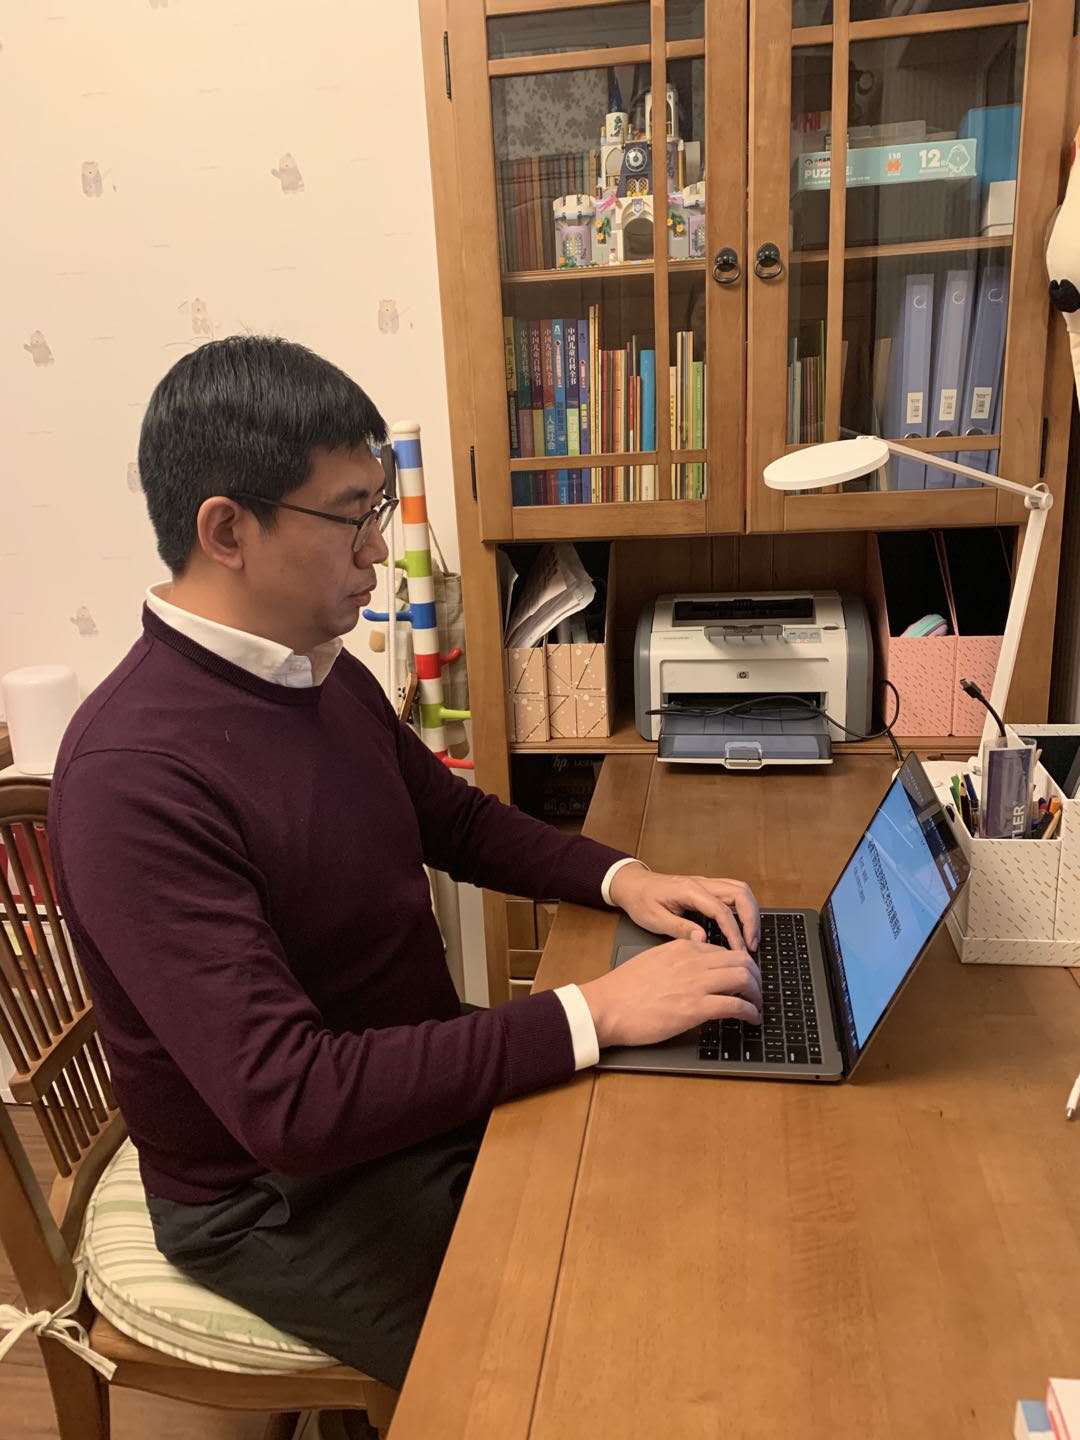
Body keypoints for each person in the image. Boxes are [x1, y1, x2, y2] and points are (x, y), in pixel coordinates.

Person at [51, 336, 762, 1400]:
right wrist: (595, 1010)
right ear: (227, 530)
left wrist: (624, 879)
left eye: (375, 508)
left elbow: (454, 821)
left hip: (400, 1099)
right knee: (601, 1356)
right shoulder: (132, 779)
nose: (379, 549)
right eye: (352, 516)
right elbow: (290, 1102)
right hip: (278, 1195)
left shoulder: (314, 668)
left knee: (684, 1175)